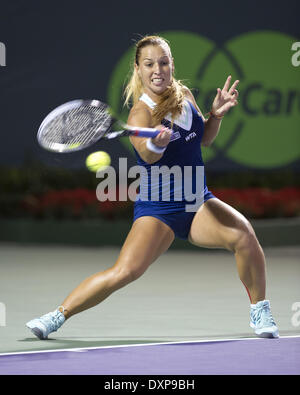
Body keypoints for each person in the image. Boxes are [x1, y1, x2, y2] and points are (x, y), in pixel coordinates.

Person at [26, 35, 278, 340]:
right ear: (138, 69)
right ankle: (56, 316)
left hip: (196, 202)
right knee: (124, 272)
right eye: (149, 64)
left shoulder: (184, 94)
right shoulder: (140, 114)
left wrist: (216, 116)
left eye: (163, 62)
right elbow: (146, 155)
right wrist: (157, 146)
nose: (157, 69)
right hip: (158, 208)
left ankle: (260, 311)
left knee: (245, 236)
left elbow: (204, 140)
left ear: (172, 64)